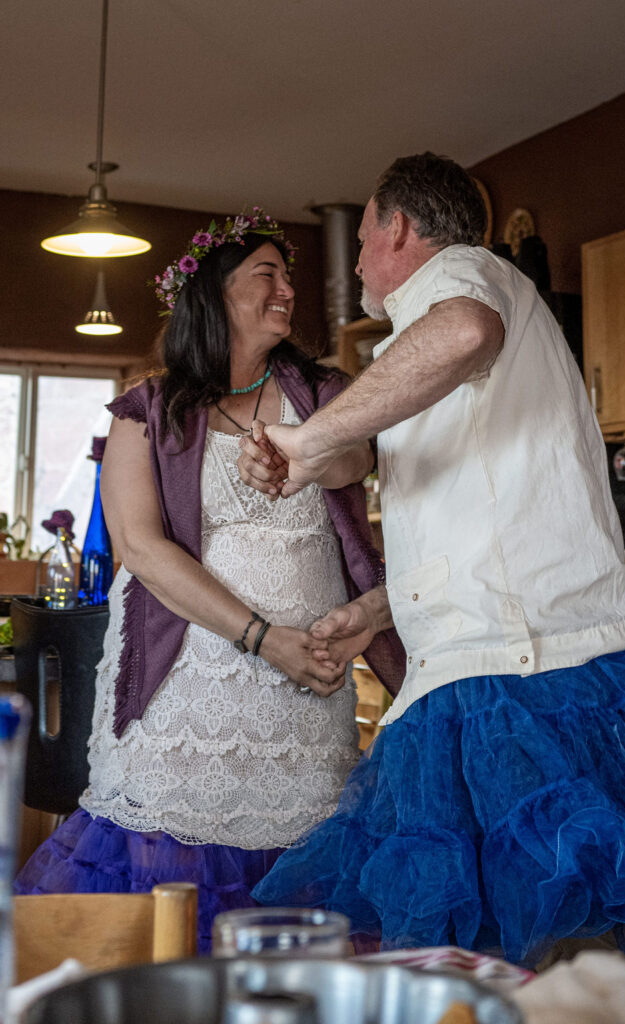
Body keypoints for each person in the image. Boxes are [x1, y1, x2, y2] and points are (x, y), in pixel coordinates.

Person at [251, 154, 625, 984]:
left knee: (537, 969)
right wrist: (375, 611)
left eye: (362, 239)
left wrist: (309, 438)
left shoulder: (458, 277)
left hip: (520, 681)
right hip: (514, 663)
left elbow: (464, 331)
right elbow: (485, 519)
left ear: (399, 229)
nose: (356, 262)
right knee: (547, 965)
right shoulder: (431, 340)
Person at [14, 208, 404, 951]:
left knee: (303, 879)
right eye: (267, 273)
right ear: (214, 293)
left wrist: (309, 453)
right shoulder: (149, 407)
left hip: (304, 692)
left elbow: (358, 460)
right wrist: (262, 637)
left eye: (288, 275)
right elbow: (141, 548)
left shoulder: (324, 392)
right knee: (168, 879)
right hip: (185, 691)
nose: (288, 289)